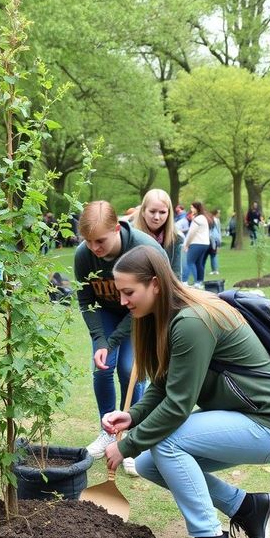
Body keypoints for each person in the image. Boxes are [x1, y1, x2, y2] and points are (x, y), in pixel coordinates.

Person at [101, 246, 270, 538]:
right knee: (151, 464)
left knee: (165, 444)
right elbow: (165, 385)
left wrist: (125, 446)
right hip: (249, 419)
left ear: (155, 284)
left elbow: (178, 406)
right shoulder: (170, 315)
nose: (122, 301)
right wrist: (133, 417)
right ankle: (248, 509)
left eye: (128, 292)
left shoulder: (192, 321)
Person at [74, 200, 165, 475]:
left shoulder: (144, 249)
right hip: (105, 313)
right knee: (102, 368)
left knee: (129, 370)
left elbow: (153, 296)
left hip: (140, 313)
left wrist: (112, 341)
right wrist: (100, 341)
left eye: (100, 241)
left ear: (116, 229)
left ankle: (132, 437)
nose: (94, 248)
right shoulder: (83, 254)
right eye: (88, 241)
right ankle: (107, 431)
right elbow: (85, 299)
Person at [132, 189, 182, 278]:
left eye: (162, 212)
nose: (157, 217)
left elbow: (176, 275)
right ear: (143, 211)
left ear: (169, 213)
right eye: (152, 211)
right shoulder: (130, 235)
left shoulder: (176, 238)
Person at [182, 201, 212, 287]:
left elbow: (191, 233)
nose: (191, 209)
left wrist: (187, 244)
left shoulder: (198, 219)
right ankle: (199, 282)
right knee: (199, 263)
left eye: (192, 208)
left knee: (190, 262)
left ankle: (185, 281)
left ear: (196, 208)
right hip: (205, 244)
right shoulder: (204, 218)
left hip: (197, 243)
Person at [208, 209, 222, 275]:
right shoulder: (214, 220)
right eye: (218, 213)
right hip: (215, 238)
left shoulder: (214, 220)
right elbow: (218, 231)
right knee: (214, 254)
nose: (219, 214)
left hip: (213, 239)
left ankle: (214, 269)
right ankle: (214, 269)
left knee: (213, 255)